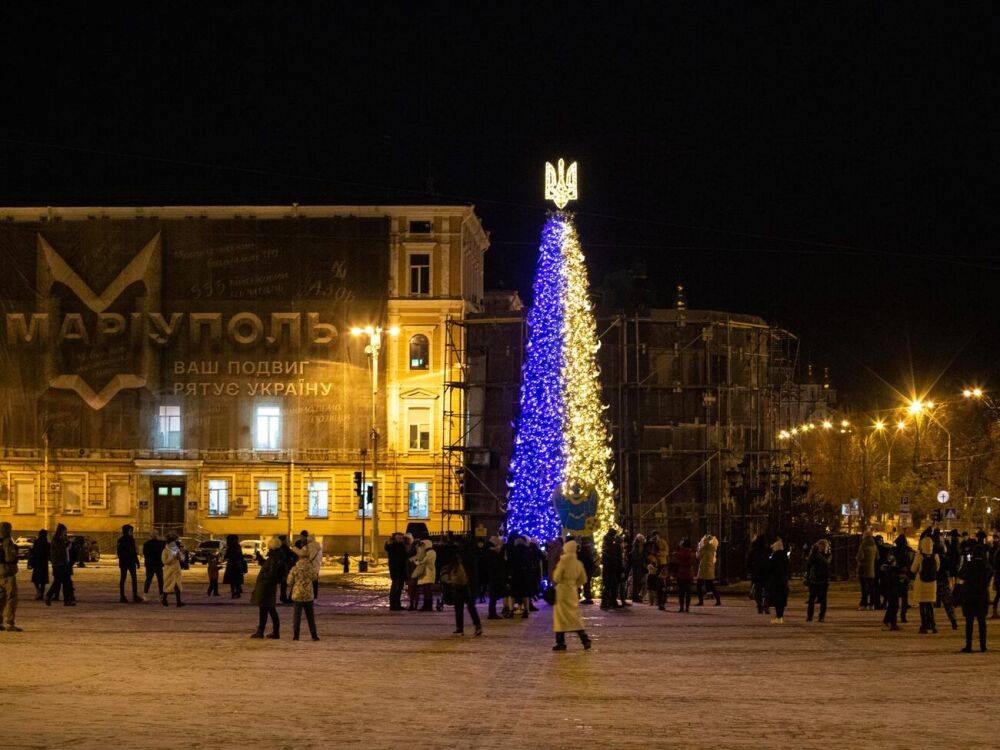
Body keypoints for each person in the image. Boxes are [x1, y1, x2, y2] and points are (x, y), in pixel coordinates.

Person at [551, 540, 592, 651]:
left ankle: (560, 642)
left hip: (561, 592)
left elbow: (556, 577)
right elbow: (583, 579)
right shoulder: (578, 563)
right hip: (572, 592)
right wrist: (574, 585)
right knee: (574, 617)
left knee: (560, 618)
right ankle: (585, 639)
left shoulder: (563, 562)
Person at [441, 539, 482, 636]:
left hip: (459, 585)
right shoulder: (472, 557)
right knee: (470, 607)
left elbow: (450, 567)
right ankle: (477, 626)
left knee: (459, 607)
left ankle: (460, 628)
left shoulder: (458, 557)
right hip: (468, 585)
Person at [957, 543, 993, 652]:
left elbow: (960, 574)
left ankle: (969, 645)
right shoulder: (986, 566)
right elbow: (990, 574)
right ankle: (983, 645)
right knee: (982, 622)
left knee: (969, 622)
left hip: (969, 595)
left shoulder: (969, 563)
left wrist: (967, 561)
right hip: (982, 596)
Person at [251, 536, 285, 639]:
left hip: (266, 587)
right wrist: (260, 558)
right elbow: (267, 566)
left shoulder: (274, 558)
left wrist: (263, 576)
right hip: (268, 587)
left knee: (266, 610)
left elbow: (271, 573)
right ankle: (270, 632)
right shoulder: (275, 556)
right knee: (268, 609)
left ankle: (264, 632)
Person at [287, 541, 320, 641]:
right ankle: (314, 635)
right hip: (308, 594)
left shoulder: (295, 568)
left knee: (297, 617)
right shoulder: (311, 567)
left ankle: (296, 635)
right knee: (310, 616)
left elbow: (289, 581)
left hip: (297, 594)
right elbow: (314, 578)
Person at [911, 535, 939, 634]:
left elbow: (913, 569)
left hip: (921, 583)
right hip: (932, 583)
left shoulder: (919, 556)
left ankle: (924, 626)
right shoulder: (935, 556)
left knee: (922, 605)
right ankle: (933, 625)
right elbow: (937, 568)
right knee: (930, 605)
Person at [932, 531, 958, 630]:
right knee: (948, 604)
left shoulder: (932, 557)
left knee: (931, 605)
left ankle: (931, 624)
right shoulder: (944, 558)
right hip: (943, 582)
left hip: (933, 582)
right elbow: (949, 568)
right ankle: (953, 621)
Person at [46, 523, 76, 606]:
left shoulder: (60, 539)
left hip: (63, 563)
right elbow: (60, 551)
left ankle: (66, 600)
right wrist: (68, 545)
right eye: (64, 531)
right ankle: (50, 596)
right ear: (61, 531)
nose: (65, 533)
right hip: (59, 564)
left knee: (63, 582)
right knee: (61, 582)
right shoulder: (57, 540)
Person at [0, 522, 20, 632]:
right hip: (7, 572)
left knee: (0, 598)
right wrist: (15, 554)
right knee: (11, 597)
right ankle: (9, 623)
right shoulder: (7, 541)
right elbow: (9, 558)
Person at [805, 539, 832, 622]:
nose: (822, 547)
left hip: (823, 579)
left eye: (824, 546)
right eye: (821, 546)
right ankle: (810, 616)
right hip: (815, 579)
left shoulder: (827, 555)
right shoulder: (815, 554)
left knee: (822, 599)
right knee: (812, 598)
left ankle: (821, 616)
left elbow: (826, 563)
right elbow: (809, 565)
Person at [600, 528, 624, 609]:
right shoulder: (610, 543)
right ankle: (608, 602)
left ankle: (609, 602)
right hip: (611, 567)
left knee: (609, 585)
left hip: (609, 567)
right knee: (610, 585)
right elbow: (613, 555)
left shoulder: (607, 542)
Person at [766, 539, 789, 624]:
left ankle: (779, 617)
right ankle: (780, 616)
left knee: (777, 599)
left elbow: (770, 568)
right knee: (781, 600)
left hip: (776, 581)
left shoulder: (775, 556)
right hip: (783, 581)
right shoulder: (784, 556)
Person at [116, 524, 141, 603]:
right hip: (127, 562)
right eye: (130, 531)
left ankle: (129, 595)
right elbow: (131, 552)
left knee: (129, 579)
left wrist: (136, 561)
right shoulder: (126, 540)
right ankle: (128, 596)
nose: (132, 532)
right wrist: (136, 561)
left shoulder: (126, 539)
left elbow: (132, 551)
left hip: (127, 562)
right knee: (127, 579)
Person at [747, 534, 770, 615]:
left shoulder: (753, 550)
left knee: (758, 591)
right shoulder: (767, 549)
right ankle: (766, 605)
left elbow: (748, 561)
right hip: (766, 572)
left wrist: (750, 571)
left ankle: (760, 606)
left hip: (757, 573)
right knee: (767, 590)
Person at [486, 536, 508, 619]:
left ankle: (492, 612)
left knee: (493, 596)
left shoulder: (490, 552)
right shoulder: (492, 553)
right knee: (493, 595)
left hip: (493, 576)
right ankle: (492, 613)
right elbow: (498, 564)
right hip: (495, 576)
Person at [411, 539, 437, 612]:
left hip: (428, 572)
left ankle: (428, 606)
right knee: (426, 590)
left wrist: (416, 561)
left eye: (423, 545)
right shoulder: (427, 552)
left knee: (427, 590)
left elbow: (423, 561)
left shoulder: (431, 552)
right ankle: (426, 605)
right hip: (425, 573)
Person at [696, 532, 721, 606]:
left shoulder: (704, 548)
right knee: (711, 585)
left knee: (699, 585)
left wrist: (698, 549)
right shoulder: (713, 548)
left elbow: (698, 556)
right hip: (710, 568)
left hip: (703, 568)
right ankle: (718, 600)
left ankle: (701, 601)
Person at [385, 532, 409, 611]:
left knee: (399, 588)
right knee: (395, 587)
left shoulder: (402, 546)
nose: (400, 539)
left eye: (401, 538)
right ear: (395, 538)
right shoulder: (393, 546)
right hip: (396, 570)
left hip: (401, 570)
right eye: (398, 538)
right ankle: (393, 605)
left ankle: (397, 604)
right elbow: (396, 559)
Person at [892, 533, 913, 623]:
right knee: (904, 598)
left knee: (895, 598)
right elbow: (910, 564)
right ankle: (903, 616)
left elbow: (892, 563)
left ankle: (894, 616)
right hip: (904, 576)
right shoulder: (908, 551)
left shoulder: (893, 551)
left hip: (895, 576)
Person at [160, 534, 185, 607]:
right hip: (169, 572)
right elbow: (164, 561)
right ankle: (164, 600)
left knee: (177, 586)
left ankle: (178, 602)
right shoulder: (165, 551)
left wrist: (179, 556)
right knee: (168, 586)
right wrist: (172, 557)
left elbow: (182, 558)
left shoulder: (176, 549)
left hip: (176, 571)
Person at [856, 530, 878, 610]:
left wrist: (857, 559)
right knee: (871, 588)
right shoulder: (874, 546)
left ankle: (864, 604)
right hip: (871, 570)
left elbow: (860, 557)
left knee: (864, 588)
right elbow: (877, 557)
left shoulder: (863, 545)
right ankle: (872, 604)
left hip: (863, 570)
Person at [880, 552, 902, 631]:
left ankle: (888, 621)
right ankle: (893, 623)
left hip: (890, 589)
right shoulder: (891, 570)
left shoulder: (889, 569)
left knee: (892, 606)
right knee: (894, 606)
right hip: (892, 589)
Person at [142, 530, 166, 598]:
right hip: (158, 564)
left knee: (148, 579)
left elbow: (145, 554)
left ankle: (145, 594)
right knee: (160, 580)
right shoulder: (161, 543)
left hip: (149, 564)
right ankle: (161, 594)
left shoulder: (146, 544)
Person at [673, 539, 694, 612]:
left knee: (681, 592)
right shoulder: (690, 552)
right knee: (688, 592)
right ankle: (687, 607)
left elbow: (676, 557)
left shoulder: (680, 552)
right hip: (688, 573)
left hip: (681, 573)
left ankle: (681, 607)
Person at [27, 530, 50, 600]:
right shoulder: (47, 543)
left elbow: (33, 552)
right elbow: (49, 553)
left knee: (36, 579)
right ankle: (41, 594)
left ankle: (38, 591)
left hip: (37, 562)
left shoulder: (37, 542)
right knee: (43, 581)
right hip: (44, 563)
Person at [277, 535, 297, 605]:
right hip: (284, 568)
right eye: (285, 540)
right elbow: (289, 556)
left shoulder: (280, 548)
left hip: (283, 568)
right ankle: (285, 598)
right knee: (284, 584)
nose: (286, 541)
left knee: (284, 584)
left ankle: (284, 597)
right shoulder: (284, 548)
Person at [578, 537, 597, 604]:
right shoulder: (588, 550)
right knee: (587, 584)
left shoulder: (583, 551)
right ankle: (588, 597)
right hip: (587, 570)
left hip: (585, 570)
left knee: (586, 584)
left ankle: (588, 598)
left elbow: (582, 560)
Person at [628, 533, 646, 602]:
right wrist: (641, 558)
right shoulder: (636, 546)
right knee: (636, 582)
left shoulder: (640, 546)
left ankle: (636, 595)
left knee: (639, 581)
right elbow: (635, 556)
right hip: (637, 566)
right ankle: (635, 596)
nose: (643, 541)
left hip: (639, 565)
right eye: (642, 539)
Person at [304, 531, 322, 600]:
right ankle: (315, 595)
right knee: (315, 581)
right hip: (317, 566)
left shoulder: (312, 546)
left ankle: (312, 595)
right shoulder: (318, 545)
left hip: (312, 566)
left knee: (311, 582)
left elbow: (310, 557)